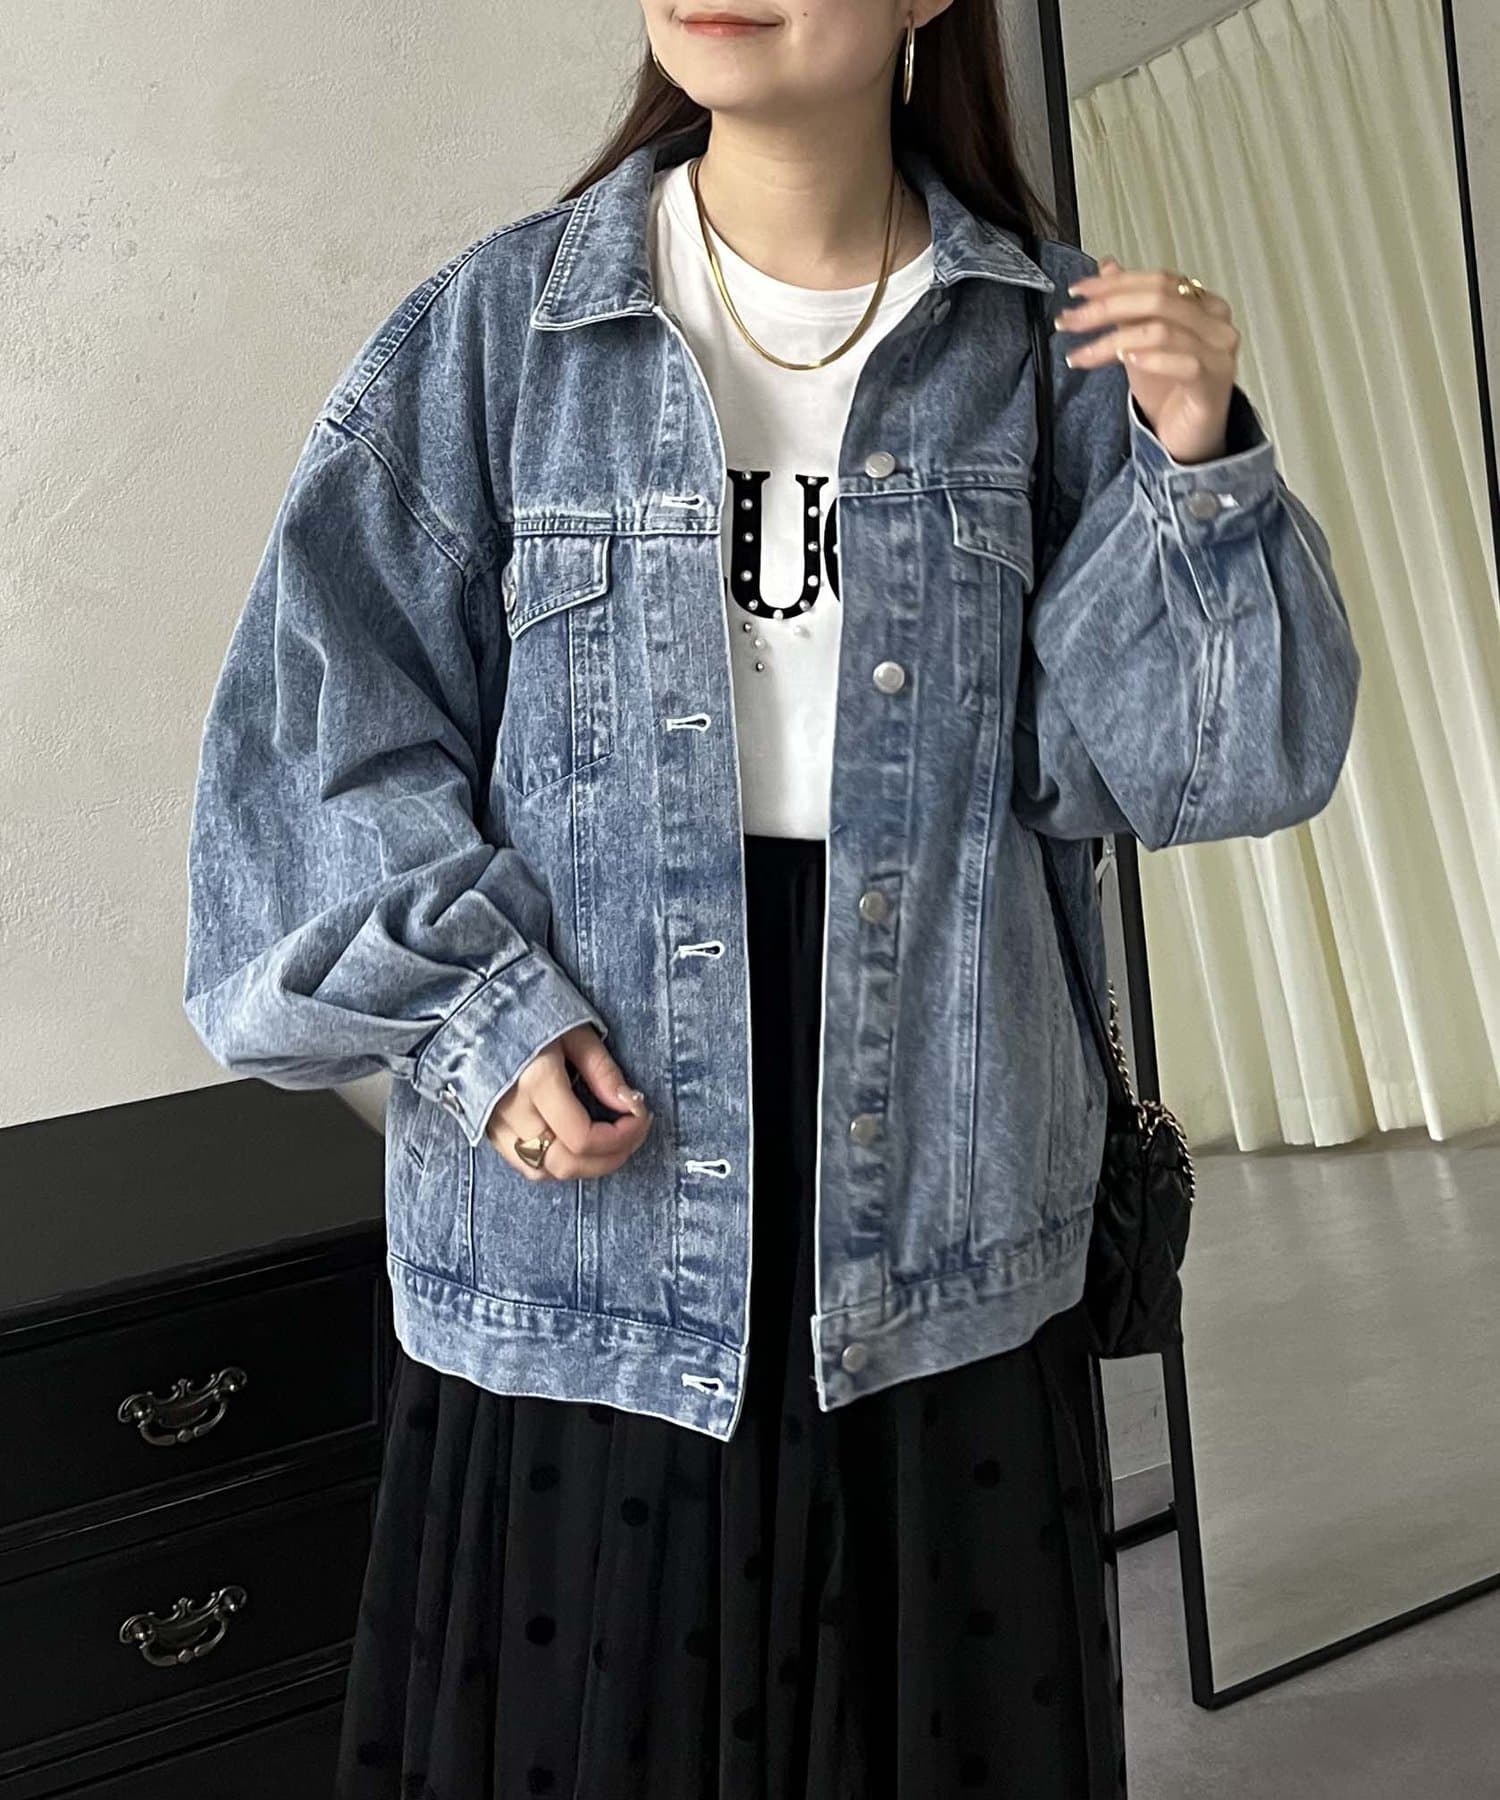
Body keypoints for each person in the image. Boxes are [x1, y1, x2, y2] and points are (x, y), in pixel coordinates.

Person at [182, 2, 1361, 1793]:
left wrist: (1196, 465)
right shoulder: (500, 335)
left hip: (945, 1201)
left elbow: (1212, 766)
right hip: (595, 1224)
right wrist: (482, 1023)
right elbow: (307, 757)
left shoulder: (1052, 346)